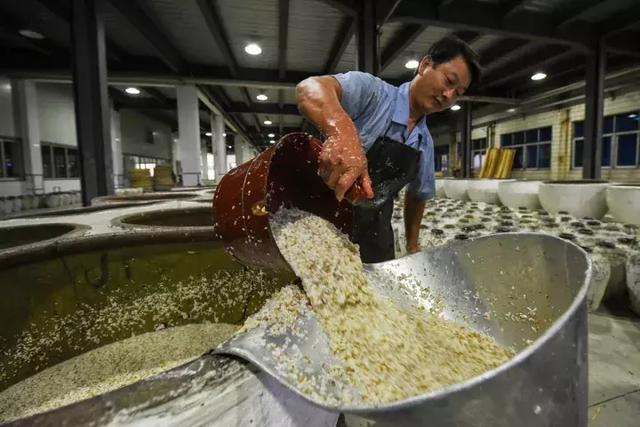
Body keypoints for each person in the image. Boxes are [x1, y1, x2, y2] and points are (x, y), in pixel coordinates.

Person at [295, 36, 481, 263]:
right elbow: (309, 88)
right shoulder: (373, 93)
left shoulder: (424, 143)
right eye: (449, 81)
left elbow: (417, 197)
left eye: (458, 93)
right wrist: (343, 133)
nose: (448, 95)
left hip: (375, 233)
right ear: (425, 65)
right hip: (321, 220)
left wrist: (412, 247)